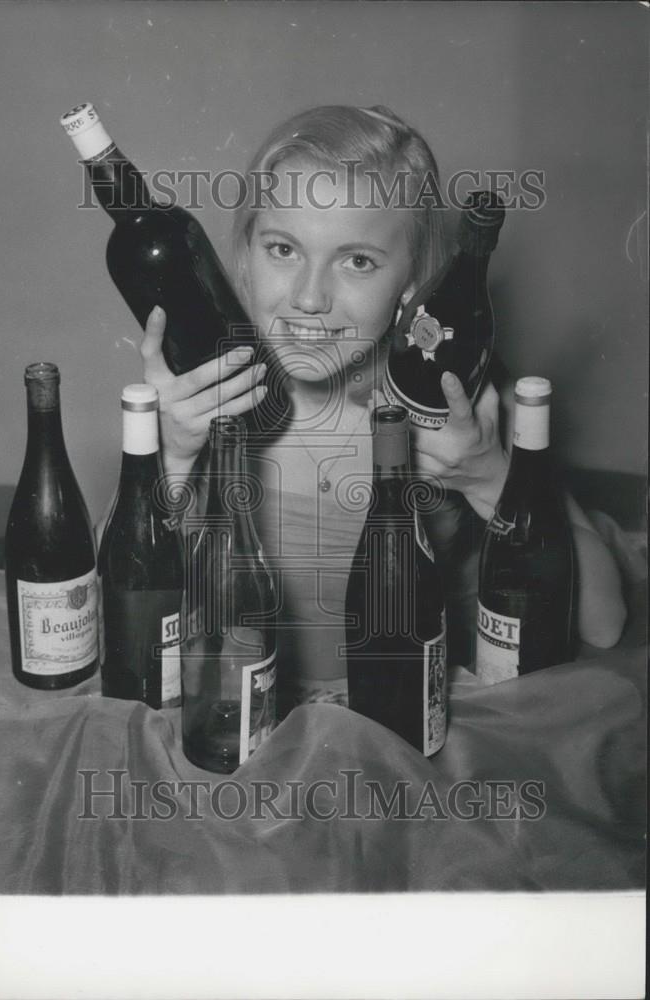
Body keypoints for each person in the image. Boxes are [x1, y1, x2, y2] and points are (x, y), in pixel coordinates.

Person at [137, 105, 626, 714]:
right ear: (242, 255)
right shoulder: (210, 390)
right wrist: (172, 456)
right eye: (282, 249)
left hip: (401, 714)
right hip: (237, 715)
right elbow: (120, 601)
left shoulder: (449, 402)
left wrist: (489, 476)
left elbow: (605, 622)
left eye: (358, 261)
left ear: (413, 286)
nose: (310, 298)